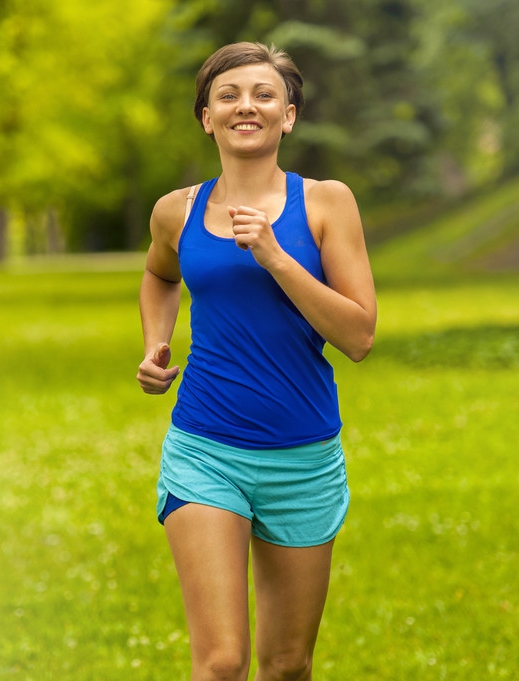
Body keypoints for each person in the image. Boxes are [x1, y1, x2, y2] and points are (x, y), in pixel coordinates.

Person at [136, 42, 377, 681]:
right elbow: (159, 277)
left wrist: (274, 255)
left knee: (287, 664)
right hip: (205, 450)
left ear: (288, 116)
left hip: (303, 457)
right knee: (220, 663)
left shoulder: (327, 203)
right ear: (207, 117)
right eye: (229, 95)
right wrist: (154, 344)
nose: (247, 105)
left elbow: (358, 335)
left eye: (264, 95)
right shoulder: (176, 211)